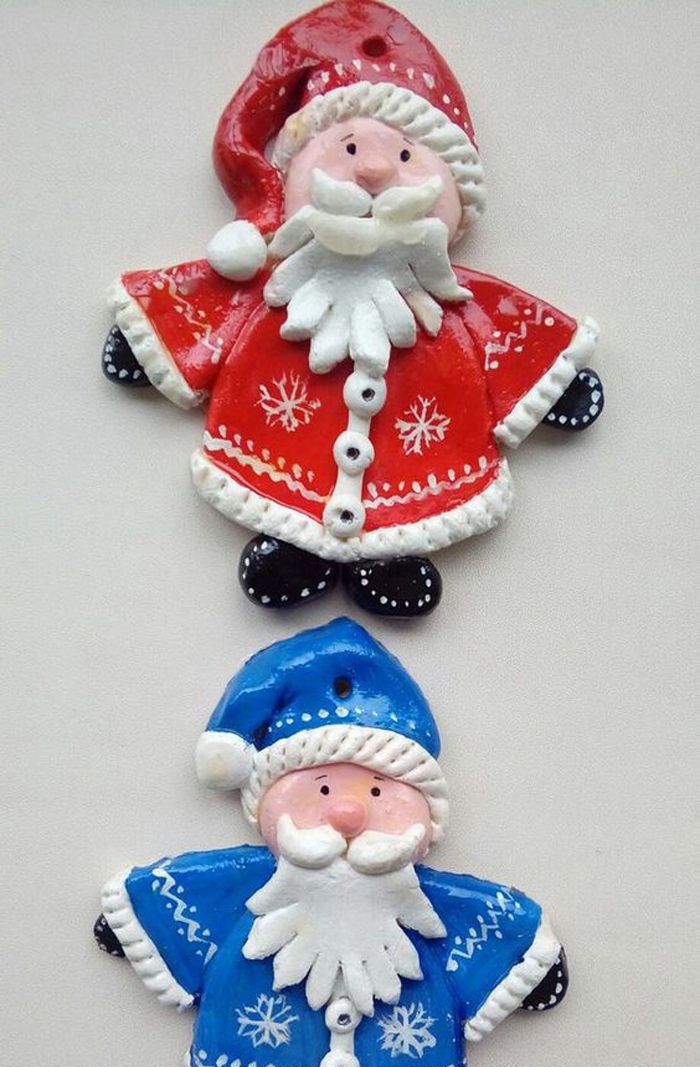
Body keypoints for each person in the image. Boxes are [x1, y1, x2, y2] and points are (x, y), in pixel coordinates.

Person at [102, 0, 603, 617]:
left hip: (424, 461)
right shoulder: (275, 282)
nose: (373, 169)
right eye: (347, 147)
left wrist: (557, 386)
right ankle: (293, 547)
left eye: (405, 156)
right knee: (284, 492)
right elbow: (211, 305)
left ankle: (394, 557)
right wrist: (147, 339)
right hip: (279, 454)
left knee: (412, 504)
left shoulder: (448, 295)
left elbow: (501, 327)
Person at [95, 618, 568, 1067]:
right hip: (256, 1056)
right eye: (321, 789)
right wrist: (129, 920)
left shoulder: (422, 900)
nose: (348, 814)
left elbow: (489, 919)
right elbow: (180, 895)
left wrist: (533, 964)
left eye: (378, 793)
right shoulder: (254, 883)